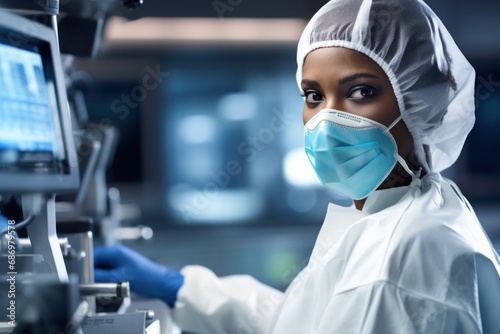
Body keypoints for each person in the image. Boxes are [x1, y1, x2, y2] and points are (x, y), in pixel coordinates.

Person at [94, 0, 500, 333]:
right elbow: (301, 323)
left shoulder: (403, 258)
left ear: (420, 103)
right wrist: (182, 288)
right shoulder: (410, 210)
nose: (328, 119)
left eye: (360, 92)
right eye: (313, 95)